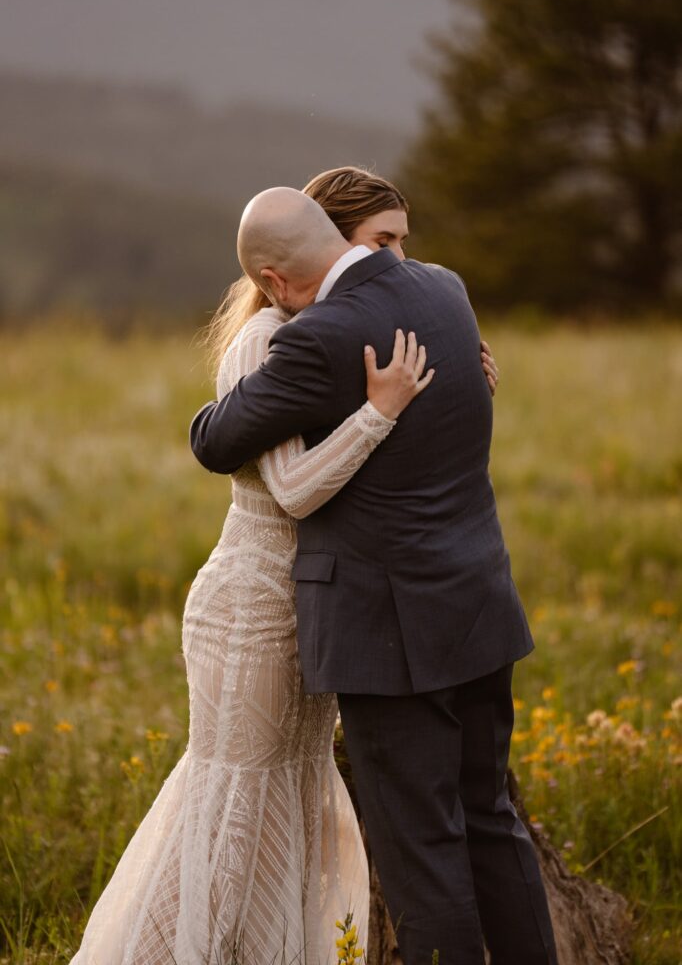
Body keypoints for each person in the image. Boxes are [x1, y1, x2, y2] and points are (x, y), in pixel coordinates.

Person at [69, 169, 496, 965]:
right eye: (381, 245)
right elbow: (295, 488)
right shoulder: (273, 340)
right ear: (302, 262)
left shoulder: (340, 328)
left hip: (315, 609)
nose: (395, 266)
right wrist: (380, 412)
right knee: (238, 801)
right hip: (253, 606)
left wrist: (457, 385)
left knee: (295, 800)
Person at [190, 185, 558, 965]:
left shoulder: (321, 336)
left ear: (276, 280)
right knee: (490, 821)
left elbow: (216, 442)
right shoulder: (444, 290)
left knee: (421, 852)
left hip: (391, 641)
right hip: (480, 606)